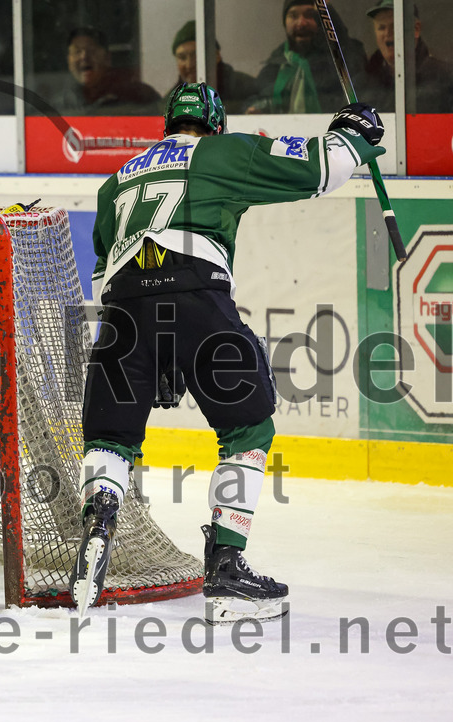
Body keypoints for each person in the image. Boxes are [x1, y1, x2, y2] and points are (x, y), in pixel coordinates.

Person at [71, 82, 386, 624]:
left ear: (165, 125)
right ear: (213, 125)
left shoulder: (115, 180)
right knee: (248, 429)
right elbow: (317, 171)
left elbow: (103, 274)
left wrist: (155, 349)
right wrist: (352, 133)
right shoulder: (224, 151)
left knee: (110, 438)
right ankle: (225, 566)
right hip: (196, 295)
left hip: (122, 312)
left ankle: (99, 519)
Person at [248, 0, 367, 113]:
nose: (301, 23)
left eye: (310, 15)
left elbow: (347, 53)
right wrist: (254, 109)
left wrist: (328, 13)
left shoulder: (337, 61)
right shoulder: (275, 65)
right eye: (293, 16)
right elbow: (257, 97)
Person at [363, 0, 453, 114]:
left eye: (395, 25)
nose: (387, 33)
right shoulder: (363, 83)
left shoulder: (446, 79)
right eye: (381, 27)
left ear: (416, 29)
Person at [60, 27, 161, 116]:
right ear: (68, 61)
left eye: (91, 50)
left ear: (107, 58)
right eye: (77, 51)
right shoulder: (60, 105)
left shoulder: (139, 96)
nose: (84, 57)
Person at [166, 20, 259, 115]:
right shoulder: (170, 102)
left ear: (216, 55)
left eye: (196, 55)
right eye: (182, 57)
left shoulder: (246, 87)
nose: (189, 65)